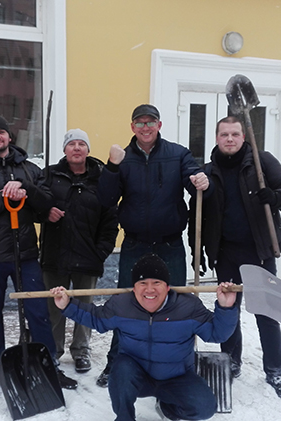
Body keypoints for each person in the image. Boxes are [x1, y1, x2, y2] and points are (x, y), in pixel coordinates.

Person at [0, 114, 77, 395]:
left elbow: (46, 204)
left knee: (38, 311)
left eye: (2, 132)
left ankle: (50, 365)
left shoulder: (30, 169)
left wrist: (26, 189)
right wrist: (1, 198)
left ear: (10, 137)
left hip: (26, 254)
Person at [95, 103, 211, 387]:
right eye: (140, 123)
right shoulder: (123, 159)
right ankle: (117, 362)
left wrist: (200, 180)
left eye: (151, 122)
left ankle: (180, 360)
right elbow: (106, 199)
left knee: (176, 303)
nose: (145, 128)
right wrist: (111, 167)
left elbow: (193, 178)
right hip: (135, 245)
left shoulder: (178, 154)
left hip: (170, 245)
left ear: (160, 125)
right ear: (132, 127)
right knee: (126, 304)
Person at [50, 253, 238, 421]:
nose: (150, 290)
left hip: (176, 377)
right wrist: (67, 306)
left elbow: (217, 334)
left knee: (204, 408)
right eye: (143, 283)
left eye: (156, 283)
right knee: (120, 369)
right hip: (136, 376)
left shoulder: (188, 307)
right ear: (134, 287)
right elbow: (97, 319)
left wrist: (226, 308)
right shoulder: (121, 305)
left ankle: (168, 408)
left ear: (167, 286)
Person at [190, 115, 281, 399]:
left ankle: (276, 370)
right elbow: (196, 209)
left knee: (267, 314)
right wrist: (199, 252)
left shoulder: (262, 163)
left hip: (259, 251)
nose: (229, 139)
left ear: (243, 137)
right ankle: (231, 360)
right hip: (225, 253)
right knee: (228, 311)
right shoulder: (209, 171)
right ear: (216, 137)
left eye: (235, 134)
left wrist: (275, 198)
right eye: (224, 134)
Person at [40, 128, 119, 373]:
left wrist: (101, 252)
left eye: (81, 144)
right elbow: (35, 205)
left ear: (87, 150)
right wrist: (45, 211)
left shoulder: (101, 179)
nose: (76, 148)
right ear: (64, 149)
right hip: (56, 253)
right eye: (71, 144)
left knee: (85, 306)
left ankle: (81, 350)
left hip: (88, 254)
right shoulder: (50, 175)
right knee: (54, 306)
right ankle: (53, 350)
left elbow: (110, 220)